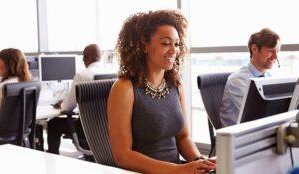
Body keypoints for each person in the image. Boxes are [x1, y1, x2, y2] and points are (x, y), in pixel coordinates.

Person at [107, 9, 216, 174]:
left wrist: (199, 163)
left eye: (177, 44)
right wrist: (179, 170)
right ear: (144, 45)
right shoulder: (124, 88)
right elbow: (123, 155)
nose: (174, 50)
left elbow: (183, 137)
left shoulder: (175, 84)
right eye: (166, 43)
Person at [47, 44, 102, 157]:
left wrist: (62, 104)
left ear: (85, 57)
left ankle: (52, 158)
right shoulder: (112, 72)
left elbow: (68, 107)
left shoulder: (82, 75)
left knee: (53, 124)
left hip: (87, 129)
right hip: (107, 130)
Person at [219, 28, 281, 127]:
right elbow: (258, 114)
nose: (275, 57)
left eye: (277, 51)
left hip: (260, 131)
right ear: (254, 49)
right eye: (271, 51)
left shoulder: (270, 78)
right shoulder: (237, 80)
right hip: (239, 138)